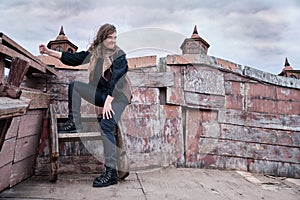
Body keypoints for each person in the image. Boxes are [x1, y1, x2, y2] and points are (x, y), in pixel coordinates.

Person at [39, 23, 132, 187]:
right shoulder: (95, 53)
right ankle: (74, 122)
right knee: (75, 86)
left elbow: (117, 78)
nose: (113, 40)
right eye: (110, 37)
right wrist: (48, 52)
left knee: (106, 124)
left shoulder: (119, 54)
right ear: (102, 38)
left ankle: (111, 173)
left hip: (119, 96)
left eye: (115, 37)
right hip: (104, 95)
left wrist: (108, 101)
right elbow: (74, 59)